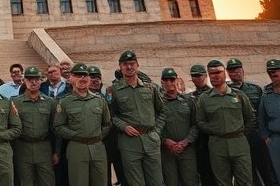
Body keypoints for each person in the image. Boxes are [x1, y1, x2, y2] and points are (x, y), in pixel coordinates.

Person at [110, 50, 165, 186]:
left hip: (151, 140)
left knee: (156, 181)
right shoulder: (114, 90)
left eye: (132, 63)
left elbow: (162, 111)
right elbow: (111, 116)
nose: (129, 67)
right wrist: (124, 126)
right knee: (135, 182)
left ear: (137, 65)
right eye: (125, 64)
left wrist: (157, 131)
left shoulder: (150, 88)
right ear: (120, 67)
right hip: (129, 143)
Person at [196, 59, 254, 186]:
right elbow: (200, 122)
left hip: (239, 144)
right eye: (212, 73)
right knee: (222, 182)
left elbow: (250, 118)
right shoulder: (204, 99)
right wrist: (215, 130)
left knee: (245, 181)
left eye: (218, 72)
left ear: (225, 73)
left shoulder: (239, 95)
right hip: (217, 145)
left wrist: (241, 133)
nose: (215, 76)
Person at [54, 62, 111, 186]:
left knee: (100, 182)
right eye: (78, 75)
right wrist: (75, 135)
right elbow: (58, 126)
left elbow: (107, 123)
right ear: (71, 78)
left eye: (85, 75)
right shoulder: (64, 102)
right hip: (76, 148)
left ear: (89, 78)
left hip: (98, 148)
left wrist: (99, 135)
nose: (82, 78)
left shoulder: (99, 100)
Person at [226, 58, 276, 186]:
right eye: (231, 70)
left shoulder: (255, 89)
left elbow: (263, 112)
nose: (235, 72)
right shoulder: (225, 91)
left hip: (257, 134)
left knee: (267, 168)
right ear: (228, 73)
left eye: (237, 69)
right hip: (239, 136)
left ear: (242, 70)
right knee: (248, 171)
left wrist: (266, 133)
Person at [12, 66, 56, 186]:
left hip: (44, 148)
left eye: (36, 79)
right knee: (26, 181)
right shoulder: (15, 103)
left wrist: (56, 151)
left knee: (48, 181)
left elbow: (55, 129)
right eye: (30, 79)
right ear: (24, 81)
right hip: (23, 148)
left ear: (41, 80)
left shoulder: (50, 102)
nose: (33, 82)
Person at [158, 68, 198, 186]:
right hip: (167, 151)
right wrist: (165, 141)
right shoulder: (158, 103)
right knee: (171, 182)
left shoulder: (188, 101)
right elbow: (155, 126)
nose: (169, 83)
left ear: (177, 80)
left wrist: (185, 142)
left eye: (172, 79)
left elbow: (196, 124)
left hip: (187, 150)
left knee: (191, 182)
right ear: (162, 82)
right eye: (166, 80)